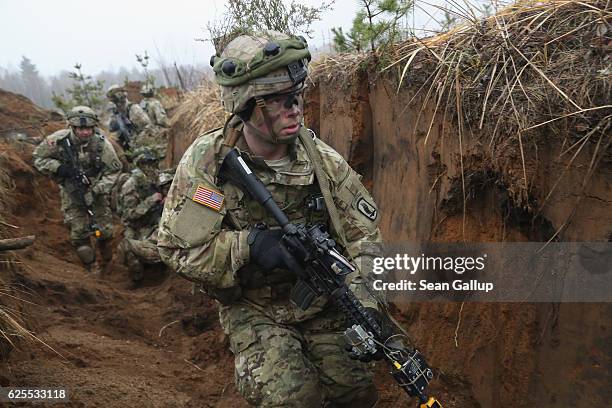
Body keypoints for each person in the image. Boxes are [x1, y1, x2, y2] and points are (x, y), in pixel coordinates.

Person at [157, 31, 383, 407]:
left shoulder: (321, 160)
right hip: (254, 306)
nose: (294, 108)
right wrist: (250, 246)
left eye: (295, 96)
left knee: (356, 392)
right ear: (246, 105)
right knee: (293, 398)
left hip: (320, 302)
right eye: (277, 101)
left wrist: (364, 301)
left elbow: (365, 237)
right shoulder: (208, 165)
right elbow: (179, 251)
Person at [33, 106, 122, 275]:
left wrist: (98, 189)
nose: (85, 132)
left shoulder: (101, 144)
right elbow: (38, 157)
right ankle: (92, 267)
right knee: (79, 234)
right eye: (81, 128)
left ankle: (108, 263)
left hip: (96, 192)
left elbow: (114, 170)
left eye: (89, 128)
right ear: (72, 127)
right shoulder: (57, 140)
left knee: (105, 232)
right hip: (71, 193)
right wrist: (58, 168)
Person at [117, 148, 173, 287]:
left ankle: (162, 270)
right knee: (128, 248)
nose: (153, 168)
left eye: (154, 164)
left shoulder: (158, 177)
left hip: (155, 222)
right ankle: (137, 279)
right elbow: (128, 215)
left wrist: (167, 198)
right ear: (141, 165)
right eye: (148, 164)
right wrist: (150, 201)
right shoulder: (131, 185)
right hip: (138, 226)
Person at [106, 84, 152, 152]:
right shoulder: (115, 113)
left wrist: (138, 142)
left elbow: (148, 127)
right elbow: (111, 129)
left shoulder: (133, 109)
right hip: (128, 146)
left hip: (142, 144)